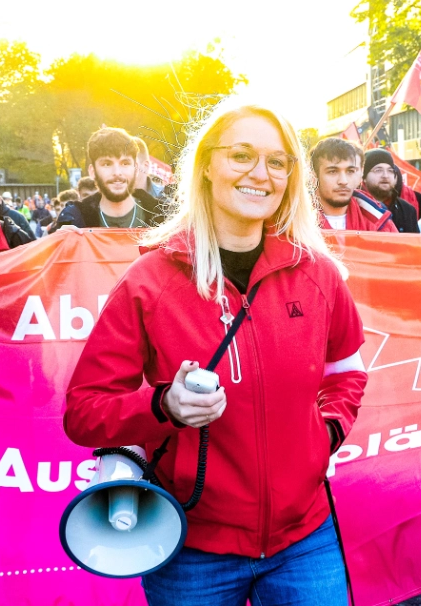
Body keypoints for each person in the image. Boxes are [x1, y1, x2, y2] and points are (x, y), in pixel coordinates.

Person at [65, 102, 366, 606]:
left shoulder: (319, 274)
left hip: (306, 539)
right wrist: (163, 406)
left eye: (277, 161)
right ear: (206, 164)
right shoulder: (149, 282)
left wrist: (325, 434)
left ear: (291, 177)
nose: (260, 174)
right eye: (242, 155)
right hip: (191, 547)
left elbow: (347, 374)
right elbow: (84, 411)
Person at [53, 127, 164, 231]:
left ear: (135, 169)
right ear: (92, 172)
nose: (117, 173)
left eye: (125, 163)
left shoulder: (164, 218)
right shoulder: (76, 219)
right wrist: (63, 243)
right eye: (107, 164)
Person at [309, 138, 397, 232]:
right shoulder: (294, 222)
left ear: (361, 173)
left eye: (350, 171)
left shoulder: (381, 224)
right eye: (332, 171)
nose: (343, 181)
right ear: (314, 175)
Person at [362, 149, 420, 233]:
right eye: (378, 170)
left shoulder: (407, 210)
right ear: (364, 177)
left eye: (390, 171)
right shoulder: (352, 207)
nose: (385, 176)